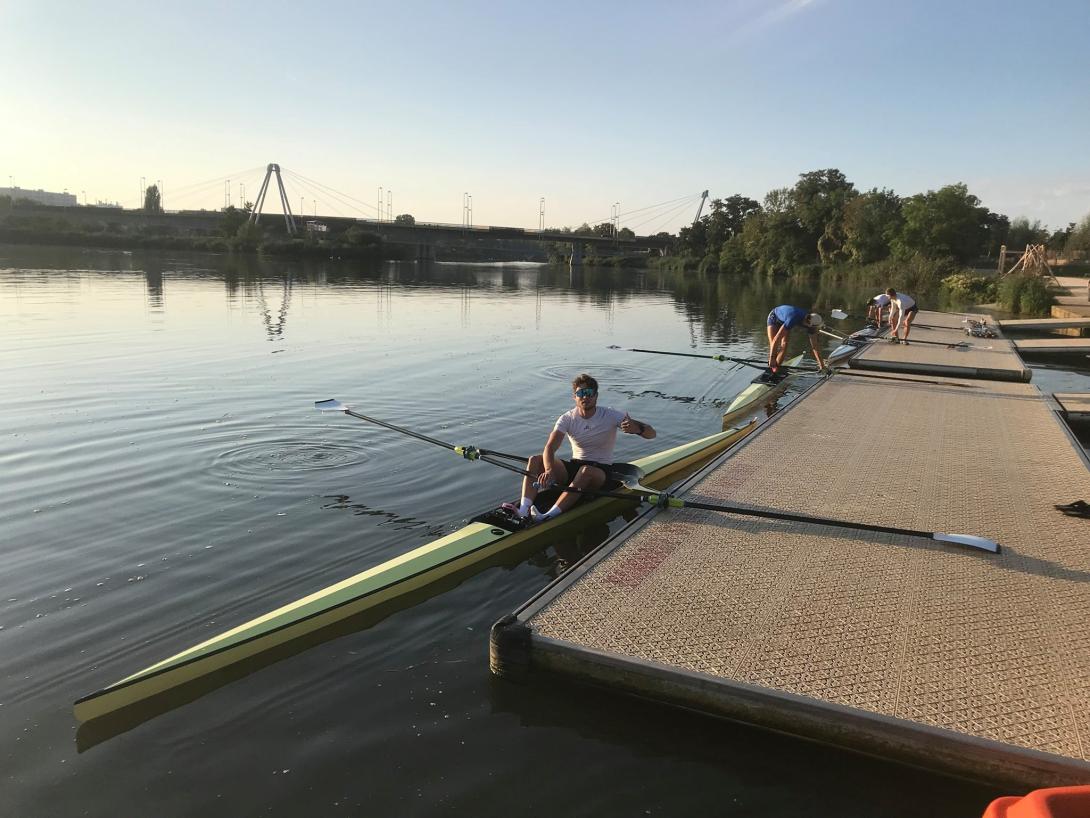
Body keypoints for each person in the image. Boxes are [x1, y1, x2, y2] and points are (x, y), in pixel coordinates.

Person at [503, 373, 656, 523]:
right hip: (575, 467)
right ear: (574, 396)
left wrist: (637, 429)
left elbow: (652, 434)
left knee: (586, 471)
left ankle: (547, 516)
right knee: (535, 460)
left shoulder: (611, 415)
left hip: (601, 472)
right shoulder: (567, 418)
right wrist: (549, 470)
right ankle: (523, 510)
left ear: (596, 396)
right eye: (581, 393)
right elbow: (550, 448)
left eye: (589, 393)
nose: (585, 397)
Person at [766, 305, 826, 373]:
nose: (816, 329)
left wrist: (821, 365)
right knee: (773, 343)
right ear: (809, 323)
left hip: (785, 320)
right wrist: (772, 358)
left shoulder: (811, 326)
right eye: (816, 327)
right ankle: (772, 365)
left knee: (785, 343)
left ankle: (776, 368)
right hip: (774, 317)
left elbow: (815, 346)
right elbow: (776, 340)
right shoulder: (793, 318)